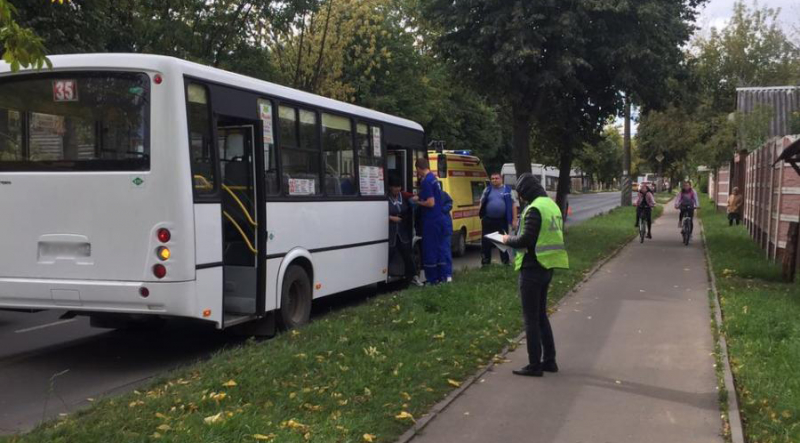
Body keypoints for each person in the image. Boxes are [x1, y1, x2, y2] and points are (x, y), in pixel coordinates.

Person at [502, 173, 569, 377]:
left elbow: (526, 240)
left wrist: (506, 239)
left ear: (526, 192)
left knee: (531, 319)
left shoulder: (535, 209)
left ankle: (534, 365)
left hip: (532, 268)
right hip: (547, 266)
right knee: (540, 316)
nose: (521, 198)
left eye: (521, 194)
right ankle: (550, 361)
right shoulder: (551, 205)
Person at [412, 158, 449, 285]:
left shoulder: (426, 181)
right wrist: (420, 196)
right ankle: (441, 277)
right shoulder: (434, 179)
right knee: (439, 250)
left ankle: (432, 280)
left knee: (430, 250)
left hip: (430, 221)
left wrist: (418, 202)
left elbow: (430, 202)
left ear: (418, 168)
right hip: (439, 219)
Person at [389, 182, 423, 286]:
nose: (397, 189)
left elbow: (413, 198)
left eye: (399, 187)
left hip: (402, 231)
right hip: (391, 231)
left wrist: (416, 199)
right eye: (395, 186)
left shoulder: (403, 195)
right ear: (390, 187)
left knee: (407, 254)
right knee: (390, 252)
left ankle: (413, 276)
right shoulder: (385, 197)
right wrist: (390, 218)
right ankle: (388, 273)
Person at [480, 173, 517, 265]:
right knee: (486, 242)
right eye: (492, 178)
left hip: (502, 220)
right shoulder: (487, 190)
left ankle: (505, 262)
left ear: (501, 179)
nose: (494, 180)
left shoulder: (507, 190)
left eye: (496, 178)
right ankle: (485, 263)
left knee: (502, 241)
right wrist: (481, 216)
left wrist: (514, 220)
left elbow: (514, 205)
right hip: (488, 220)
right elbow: (481, 202)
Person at [441, 190, 454, 282]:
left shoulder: (443, 194)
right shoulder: (425, 194)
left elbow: (450, 204)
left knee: (445, 252)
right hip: (434, 229)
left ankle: (448, 274)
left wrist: (440, 210)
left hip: (445, 228)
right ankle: (440, 275)